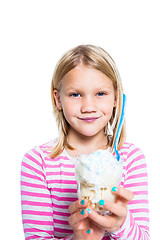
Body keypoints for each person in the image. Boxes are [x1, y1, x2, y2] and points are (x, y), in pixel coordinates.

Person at [21, 45, 150, 239]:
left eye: (100, 94)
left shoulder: (130, 159)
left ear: (116, 96)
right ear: (57, 99)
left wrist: (119, 226)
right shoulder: (38, 162)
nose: (88, 107)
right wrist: (79, 238)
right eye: (75, 94)